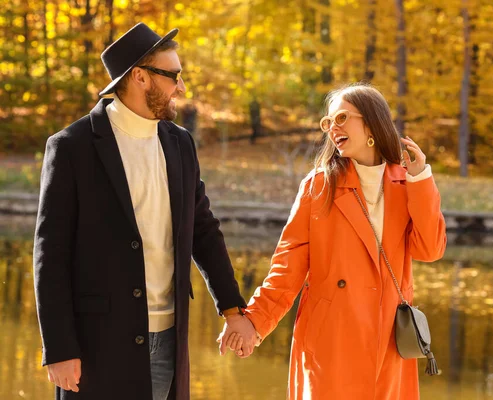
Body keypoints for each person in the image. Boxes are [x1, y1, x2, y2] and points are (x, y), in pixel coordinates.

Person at [33, 23, 256, 400]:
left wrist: (233, 309)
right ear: (139, 77)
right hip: (96, 346)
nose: (181, 88)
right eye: (173, 76)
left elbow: (203, 230)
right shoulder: (72, 147)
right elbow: (49, 256)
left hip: (170, 338)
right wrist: (59, 348)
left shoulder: (180, 144)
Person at [219, 83, 447, 399]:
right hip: (330, 341)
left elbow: (431, 249)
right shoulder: (320, 187)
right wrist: (253, 322)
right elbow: (287, 268)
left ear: (371, 123)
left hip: (389, 341)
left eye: (341, 118)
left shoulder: (405, 183)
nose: (332, 128)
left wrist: (421, 180)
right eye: (327, 123)